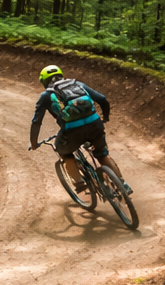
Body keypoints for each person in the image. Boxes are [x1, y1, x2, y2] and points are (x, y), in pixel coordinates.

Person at [28, 64, 131, 192]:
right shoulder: (78, 84)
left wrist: (33, 143)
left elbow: (36, 122)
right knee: (102, 154)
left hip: (71, 132)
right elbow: (102, 99)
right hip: (95, 125)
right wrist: (105, 118)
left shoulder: (45, 96)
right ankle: (123, 184)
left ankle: (79, 182)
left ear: (44, 81)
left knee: (64, 152)